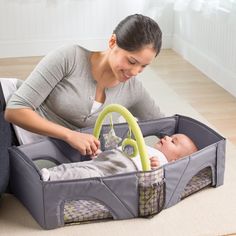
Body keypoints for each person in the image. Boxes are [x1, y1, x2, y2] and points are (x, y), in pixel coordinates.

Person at [4, 14, 164, 156]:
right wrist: (70, 135)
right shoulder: (70, 57)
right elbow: (15, 110)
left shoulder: (133, 90)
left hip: (32, 149)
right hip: (9, 116)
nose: (135, 71)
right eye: (131, 61)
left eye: (144, 66)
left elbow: (165, 125)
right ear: (112, 41)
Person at [41, 133, 198, 181]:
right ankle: (53, 171)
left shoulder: (165, 163)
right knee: (85, 167)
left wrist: (157, 168)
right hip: (114, 158)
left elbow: (158, 180)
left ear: (175, 160)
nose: (167, 137)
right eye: (170, 136)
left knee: (89, 173)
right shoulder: (148, 147)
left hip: (123, 169)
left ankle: (54, 177)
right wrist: (103, 154)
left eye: (173, 141)